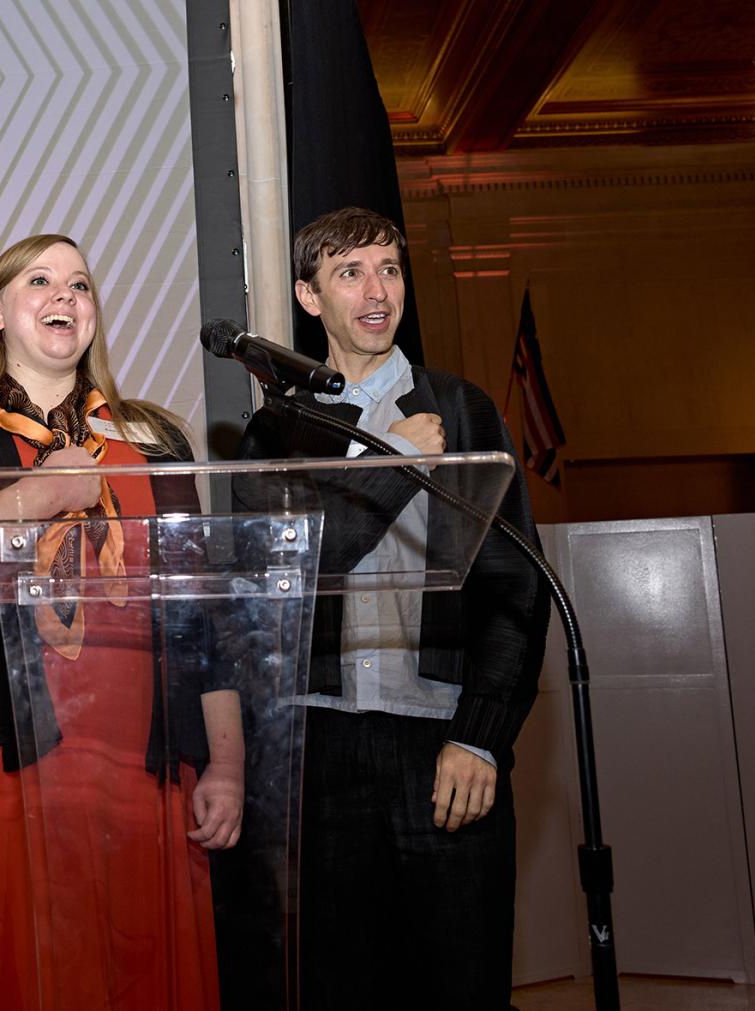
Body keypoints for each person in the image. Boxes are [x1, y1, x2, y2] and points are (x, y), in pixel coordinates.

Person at [0, 234, 244, 1010]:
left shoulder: (152, 441)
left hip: (138, 774)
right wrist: (38, 495)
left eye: (79, 284)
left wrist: (227, 763)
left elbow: (200, 622)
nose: (64, 296)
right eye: (39, 280)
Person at [237, 207, 548, 1009]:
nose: (377, 292)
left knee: (463, 981)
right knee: (337, 983)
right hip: (316, 747)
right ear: (310, 298)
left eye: (390, 270)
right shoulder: (278, 431)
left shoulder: (468, 409)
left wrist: (481, 737)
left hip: (443, 743)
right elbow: (295, 570)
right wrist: (398, 461)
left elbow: (518, 587)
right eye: (350, 273)